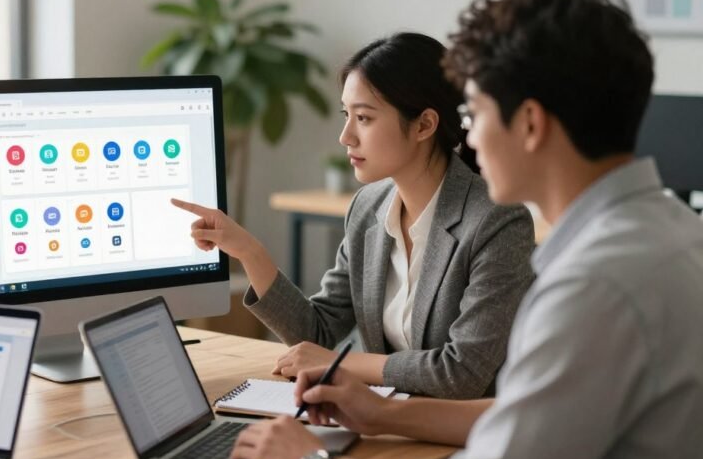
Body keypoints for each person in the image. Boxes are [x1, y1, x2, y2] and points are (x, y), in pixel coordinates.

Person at [228, 0, 703, 459]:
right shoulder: (676, 233)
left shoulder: (592, 284)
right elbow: (524, 420)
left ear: (528, 123)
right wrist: (380, 414)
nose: (469, 137)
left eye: (474, 113)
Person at [173, 32, 535, 399]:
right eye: (347, 115)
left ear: (424, 125)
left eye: (363, 117)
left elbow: (463, 372)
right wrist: (250, 253)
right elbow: (317, 334)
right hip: (384, 420)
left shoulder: (497, 221)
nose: (345, 136)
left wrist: (341, 364)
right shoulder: (368, 207)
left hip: (464, 436)